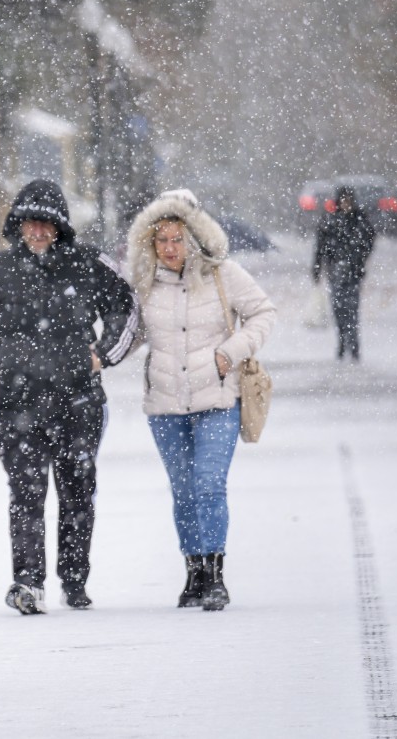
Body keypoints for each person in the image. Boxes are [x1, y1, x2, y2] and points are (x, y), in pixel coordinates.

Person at [0, 179, 139, 614]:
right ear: (17, 225)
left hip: (78, 401)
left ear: (60, 227)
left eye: (46, 224)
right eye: (29, 223)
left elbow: (127, 308)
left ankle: (74, 581)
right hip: (17, 404)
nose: (37, 232)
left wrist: (103, 355)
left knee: (77, 489)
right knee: (26, 491)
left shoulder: (88, 264)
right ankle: (28, 582)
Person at [126, 189, 275, 611]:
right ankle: (193, 571)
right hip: (165, 404)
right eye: (162, 240)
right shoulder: (144, 282)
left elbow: (264, 312)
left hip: (218, 398)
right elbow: (132, 333)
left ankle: (215, 575)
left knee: (209, 485)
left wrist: (232, 351)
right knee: (183, 490)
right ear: (150, 242)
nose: (170, 248)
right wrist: (96, 353)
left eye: (178, 239)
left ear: (194, 237)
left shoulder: (223, 273)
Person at [313, 185, 375, 361]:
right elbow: (320, 247)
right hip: (336, 272)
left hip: (353, 272)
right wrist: (317, 267)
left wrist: (359, 259)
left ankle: (353, 345)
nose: (346, 204)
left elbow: (369, 240)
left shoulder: (358, 220)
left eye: (348, 200)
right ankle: (342, 342)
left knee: (352, 309)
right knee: (338, 308)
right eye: (343, 200)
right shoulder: (330, 221)